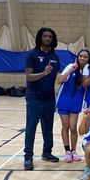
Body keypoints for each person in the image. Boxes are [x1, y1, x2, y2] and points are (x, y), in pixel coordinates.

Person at [24, 27, 60, 170]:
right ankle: (28, 157)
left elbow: (57, 77)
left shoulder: (55, 57)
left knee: (48, 128)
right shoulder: (32, 54)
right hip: (34, 98)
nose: (47, 38)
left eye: (49, 36)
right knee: (31, 128)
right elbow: (28, 76)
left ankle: (47, 153)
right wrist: (43, 73)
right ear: (40, 37)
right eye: (44, 36)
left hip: (49, 99)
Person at [56, 49, 90, 163]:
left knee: (73, 127)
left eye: (85, 57)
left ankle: (74, 150)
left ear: (88, 59)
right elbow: (59, 80)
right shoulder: (71, 66)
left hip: (76, 101)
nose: (82, 58)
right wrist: (71, 70)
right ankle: (67, 151)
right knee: (65, 126)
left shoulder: (87, 71)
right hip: (64, 100)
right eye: (81, 56)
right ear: (78, 57)